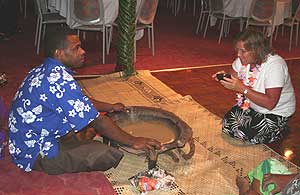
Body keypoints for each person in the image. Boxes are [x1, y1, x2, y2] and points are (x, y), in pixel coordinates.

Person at [7, 28, 161, 174]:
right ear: (59, 53)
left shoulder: (44, 70)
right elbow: (98, 120)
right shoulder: (59, 80)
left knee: (91, 126)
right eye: (76, 48)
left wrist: (110, 107)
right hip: (35, 151)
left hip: (29, 138)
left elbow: (80, 101)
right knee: (105, 154)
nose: (83, 52)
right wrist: (133, 140)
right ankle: (79, 141)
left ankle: (79, 138)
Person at [212, 29, 296, 144]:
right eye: (237, 50)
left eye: (243, 51)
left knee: (244, 134)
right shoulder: (242, 60)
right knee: (227, 125)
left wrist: (242, 88)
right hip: (252, 105)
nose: (238, 54)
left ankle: (280, 130)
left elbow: (270, 103)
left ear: (256, 50)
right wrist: (224, 77)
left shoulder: (275, 66)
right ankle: (260, 126)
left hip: (275, 112)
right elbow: (234, 77)